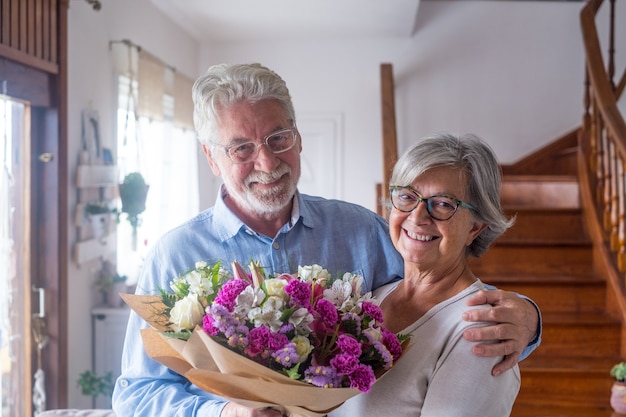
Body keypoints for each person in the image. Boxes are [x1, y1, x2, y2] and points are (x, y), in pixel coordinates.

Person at [112, 63, 540, 417]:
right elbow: (134, 395)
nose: (267, 161)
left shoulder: (362, 231)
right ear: (211, 157)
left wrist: (528, 319)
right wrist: (222, 414)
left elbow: (437, 282)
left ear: (297, 137)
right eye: (241, 148)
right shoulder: (175, 256)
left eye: (278, 138)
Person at [329, 133, 521, 417]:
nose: (418, 216)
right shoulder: (371, 300)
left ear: (475, 228)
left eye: (443, 204)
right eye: (407, 196)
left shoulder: (482, 332)